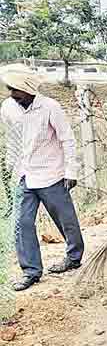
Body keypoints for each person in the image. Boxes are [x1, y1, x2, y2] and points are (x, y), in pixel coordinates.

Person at [0, 64, 84, 291]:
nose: (12, 95)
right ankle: (31, 271)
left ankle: (74, 257)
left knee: (65, 220)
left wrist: (71, 171)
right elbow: (12, 139)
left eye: (15, 90)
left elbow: (67, 139)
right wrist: (10, 167)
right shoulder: (8, 108)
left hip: (51, 173)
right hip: (24, 174)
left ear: (27, 89)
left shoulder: (49, 107)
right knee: (21, 223)